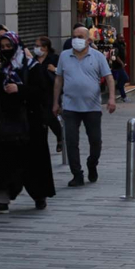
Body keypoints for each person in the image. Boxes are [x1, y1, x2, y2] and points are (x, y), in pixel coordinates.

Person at [0, 31, 56, 214]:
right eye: (3, 47)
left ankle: (39, 195)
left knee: (33, 163)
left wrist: (19, 89)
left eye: (10, 46)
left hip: (30, 124)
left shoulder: (31, 66)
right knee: (3, 165)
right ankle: (1, 200)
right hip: (5, 123)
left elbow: (40, 92)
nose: (7, 50)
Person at [54, 26, 116, 187]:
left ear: (89, 40)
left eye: (80, 36)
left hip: (92, 107)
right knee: (71, 141)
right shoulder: (64, 56)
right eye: (74, 36)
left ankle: (92, 164)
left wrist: (111, 99)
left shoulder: (97, 56)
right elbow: (58, 80)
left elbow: (109, 78)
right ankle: (77, 174)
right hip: (70, 107)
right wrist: (55, 102)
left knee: (96, 141)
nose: (76, 39)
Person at [33, 36, 62, 153]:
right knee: (41, 119)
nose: (35, 48)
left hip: (51, 92)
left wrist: (54, 69)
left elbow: (62, 73)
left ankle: (60, 136)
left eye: (38, 46)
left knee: (50, 117)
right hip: (37, 93)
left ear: (45, 47)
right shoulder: (33, 60)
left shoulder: (54, 58)